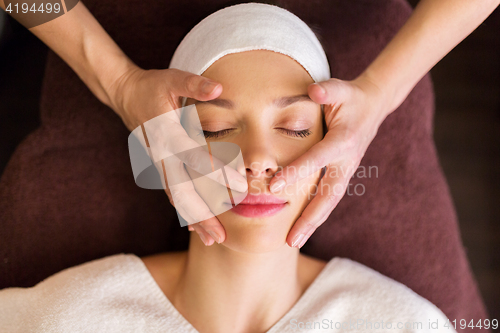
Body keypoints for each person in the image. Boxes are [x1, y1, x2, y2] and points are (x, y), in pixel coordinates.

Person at [0, 0, 493, 327]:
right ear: (167, 146)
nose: (257, 160)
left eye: (296, 128)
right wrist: (120, 82)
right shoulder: (70, 318)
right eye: (216, 129)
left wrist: (380, 93)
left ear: (338, 150)